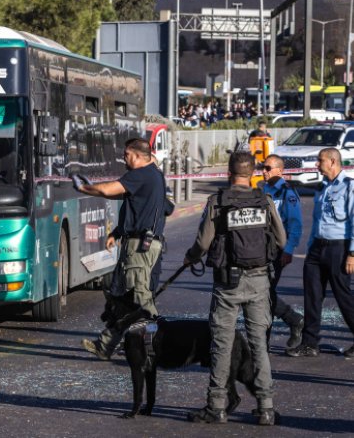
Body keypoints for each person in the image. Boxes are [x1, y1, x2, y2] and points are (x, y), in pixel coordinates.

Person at [183, 151, 286, 425]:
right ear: (252, 173)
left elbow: (203, 244)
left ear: (229, 173)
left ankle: (216, 406)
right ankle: (266, 407)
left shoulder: (218, 201)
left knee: (221, 345)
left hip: (227, 283)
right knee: (259, 346)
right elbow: (282, 239)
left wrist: (191, 256)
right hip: (259, 280)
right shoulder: (264, 200)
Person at [72, 138, 167, 360]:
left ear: (136, 154)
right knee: (126, 299)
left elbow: (108, 190)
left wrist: (84, 187)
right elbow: (122, 197)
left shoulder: (141, 174)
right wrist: (116, 233)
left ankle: (153, 346)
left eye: (125, 154)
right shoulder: (153, 175)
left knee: (141, 300)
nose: (123, 158)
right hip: (143, 242)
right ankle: (105, 345)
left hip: (140, 246)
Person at [286, 148, 354, 358]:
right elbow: (317, 221)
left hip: (339, 248)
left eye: (320, 160)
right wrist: (310, 247)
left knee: (344, 297)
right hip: (317, 248)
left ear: (333, 161)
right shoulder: (323, 187)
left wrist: (352, 253)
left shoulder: (348, 187)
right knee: (312, 296)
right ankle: (310, 342)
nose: (317, 164)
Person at [260, 154, 305, 347]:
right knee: (264, 292)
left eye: (268, 168)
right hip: (260, 248)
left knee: (264, 293)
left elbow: (295, 225)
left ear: (280, 170)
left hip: (277, 250)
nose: (264, 171)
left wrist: (288, 250)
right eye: (263, 167)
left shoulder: (288, 193)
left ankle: (266, 339)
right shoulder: (263, 189)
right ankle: (293, 320)